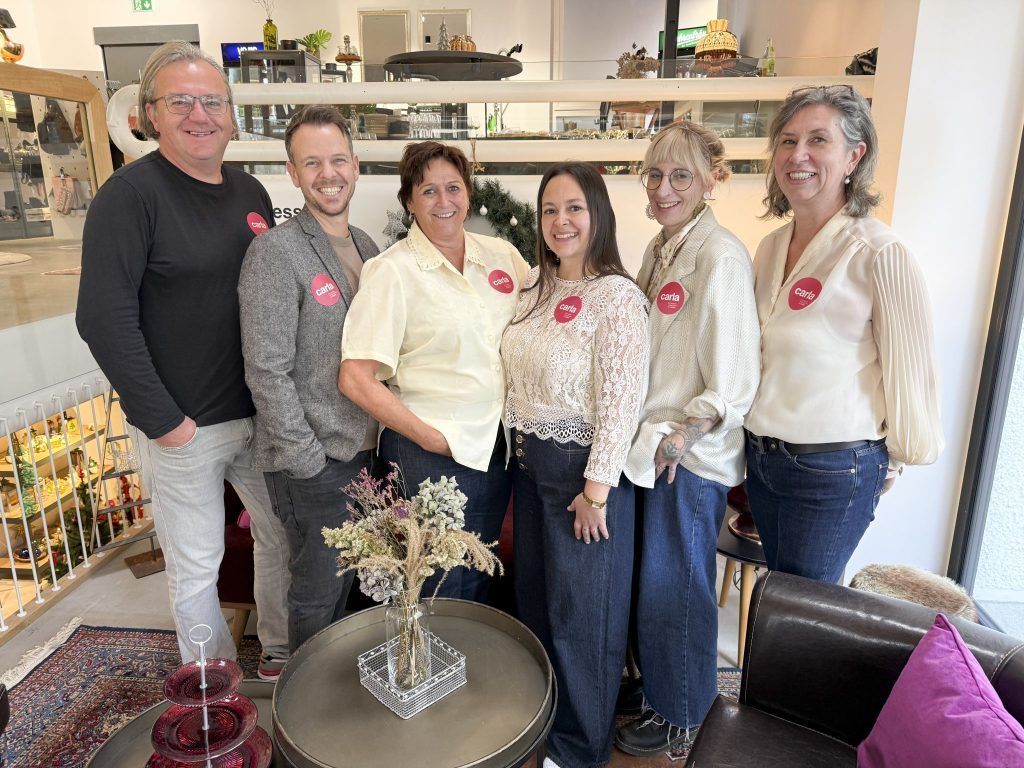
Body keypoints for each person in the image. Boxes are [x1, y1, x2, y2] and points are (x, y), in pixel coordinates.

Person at [75, 42, 289, 672]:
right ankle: (212, 692)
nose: (201, 114)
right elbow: (102, 319)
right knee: (197, 566)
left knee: (280, 543)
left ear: (231, 114)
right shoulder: (128, 197)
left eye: (213, 101)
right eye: (181, 102)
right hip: (183, 428)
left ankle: (279, 660)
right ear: (150, 116)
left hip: (258, 416)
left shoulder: (249, 191)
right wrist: (165, 421)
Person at [745, 85, 944, 583]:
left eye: (818, 140)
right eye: (788, 142)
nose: (799, 156)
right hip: (764, 462)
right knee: (777, 611)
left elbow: (911, 373)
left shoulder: (878, 252)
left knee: (803, 619)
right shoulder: (769, 248)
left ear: (855, 155)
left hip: (832, 469)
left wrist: (894, 460)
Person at [617, 121, 761, 756]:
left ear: (711, 181)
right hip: (651, 452)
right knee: (656, 583)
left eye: (680, 175)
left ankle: (683, 717)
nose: (664, 187)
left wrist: (684, 436)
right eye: (655, 174)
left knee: (678, 588)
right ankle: (660, 693)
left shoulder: (720, 254)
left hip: (687, 459)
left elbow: (732, 375)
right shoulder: (662, 246)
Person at [502, 162, 649, 768]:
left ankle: (579, 749)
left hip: (580, 476)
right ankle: (546, 727)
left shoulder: (617, 297)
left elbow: (622, 398)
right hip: (529, 468)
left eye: (574, 209)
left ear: (598, 215)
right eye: (549, 210)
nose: (560, 222)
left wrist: (596, 489)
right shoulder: (535, 288)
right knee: (536, 609)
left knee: (584, 621)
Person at [339, 141, 530, 602]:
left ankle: (467, 671)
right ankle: (429, 672)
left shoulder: (502, 256)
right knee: (434, 582)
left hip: (496, 449)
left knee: (479, 572)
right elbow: (355, 377)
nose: (443, 202)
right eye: (428, 191)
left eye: (453, 188)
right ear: (409, 201)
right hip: (430, 453)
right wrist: (429, 439)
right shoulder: (392, 271)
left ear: (468, 193)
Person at [238, 105, 380, 654]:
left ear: (356, 165)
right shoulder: (275, 253)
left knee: (357, 589)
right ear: (293, 173)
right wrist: (306, 460)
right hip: (316, 461)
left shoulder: (367, 246)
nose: (329, 173)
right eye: (312, 162)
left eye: (338, 159)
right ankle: (305, 724)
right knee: (318, 597)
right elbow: (265, 370)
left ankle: (345, 708)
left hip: (367, 452)